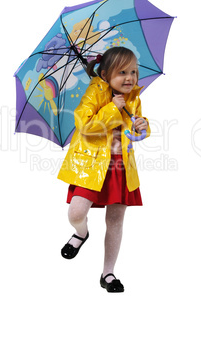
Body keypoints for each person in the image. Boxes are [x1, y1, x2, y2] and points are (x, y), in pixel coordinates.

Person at [57, 47, 151, 292]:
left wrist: (143, 126)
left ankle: (107, 274)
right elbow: (84, 125)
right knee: (76, 213)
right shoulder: (95, 93)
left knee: (116, 221)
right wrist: (112, 108)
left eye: (133, 71)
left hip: (121, 168)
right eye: (122, 72)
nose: (130, 77)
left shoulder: (134, 98)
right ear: (106, 74)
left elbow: (136, 130)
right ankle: (81, 233)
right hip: (91, 166)